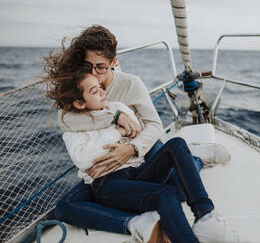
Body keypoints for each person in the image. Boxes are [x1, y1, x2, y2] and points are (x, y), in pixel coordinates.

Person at [44, 24, 239, 242]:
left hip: (142, 152)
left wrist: (131, 148)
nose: (93, 74)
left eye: (101, 67)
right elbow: (67, 121)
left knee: (177, 181)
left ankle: (198, 176)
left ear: (114, 62)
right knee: (65, 207)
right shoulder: (80, 88)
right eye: (88, 65)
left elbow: (153, 126)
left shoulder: (130, 85)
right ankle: (138, 222)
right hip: (107, 171)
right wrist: (115, 118)